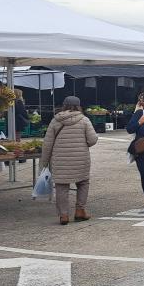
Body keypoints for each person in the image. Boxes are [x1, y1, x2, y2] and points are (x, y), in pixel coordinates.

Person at [41, 96, 99, 225]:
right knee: (83, 183)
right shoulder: (84, 120)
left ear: (63, 106)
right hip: (81, 158)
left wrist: (44, 163)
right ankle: (80, 211)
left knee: (62, 186)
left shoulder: (55, 121)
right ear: (79, 106)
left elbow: (47, 144)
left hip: (60, 160)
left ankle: (64, 215)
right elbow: (92, 140)